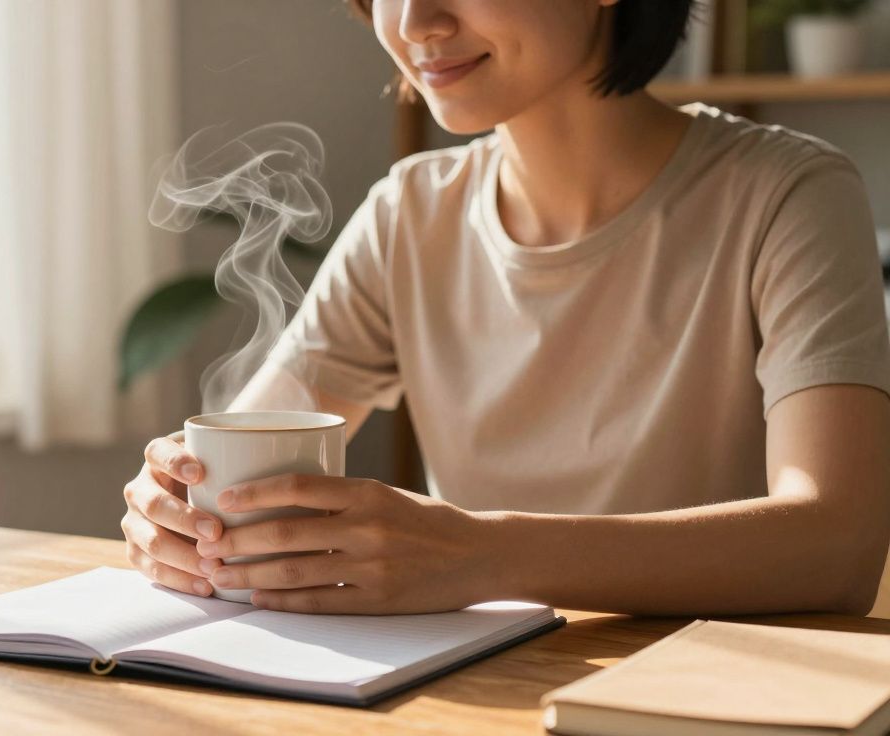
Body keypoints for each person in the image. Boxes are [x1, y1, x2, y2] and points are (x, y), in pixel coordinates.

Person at [121, 0, 890, 616]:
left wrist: (480, 554)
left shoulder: (786, 197)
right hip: (478, 693)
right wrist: (183, 508)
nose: (415, 22)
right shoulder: (410, 214)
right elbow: (252, 454)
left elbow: (840, 544)